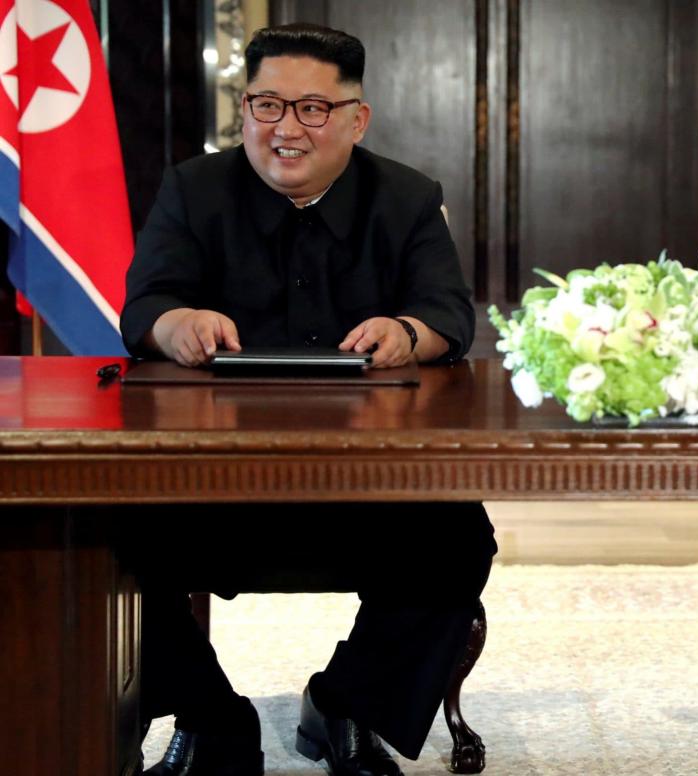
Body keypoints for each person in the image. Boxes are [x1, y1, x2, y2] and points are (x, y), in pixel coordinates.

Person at [121, 24, 496, 776]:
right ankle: (213, 722)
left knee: (458, 542)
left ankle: (346, 707)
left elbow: (450, 316)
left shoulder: (408, 197)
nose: (285, 128)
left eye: (313, 109)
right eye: (266, 105)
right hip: (210, 479)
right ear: (245, 109)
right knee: (103, 535)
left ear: (357, 118)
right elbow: (144, 307)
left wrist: (406, 331)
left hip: (370, 481)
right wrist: (177, 323)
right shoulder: (192, 189)